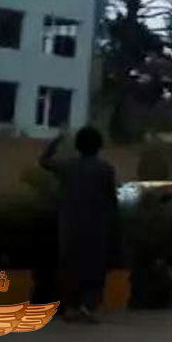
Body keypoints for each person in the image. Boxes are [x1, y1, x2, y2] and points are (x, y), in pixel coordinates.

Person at [39, 126, 118, 323]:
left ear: (78, 145)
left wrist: (56, 140)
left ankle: (71, 307)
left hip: (70, 225)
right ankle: (88, 306)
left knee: (71, 266)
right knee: (94, 267)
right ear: (99, 146)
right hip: (96, 227)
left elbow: (44, 161)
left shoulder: (68, 166)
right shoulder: (106, 169)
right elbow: (111, 201)